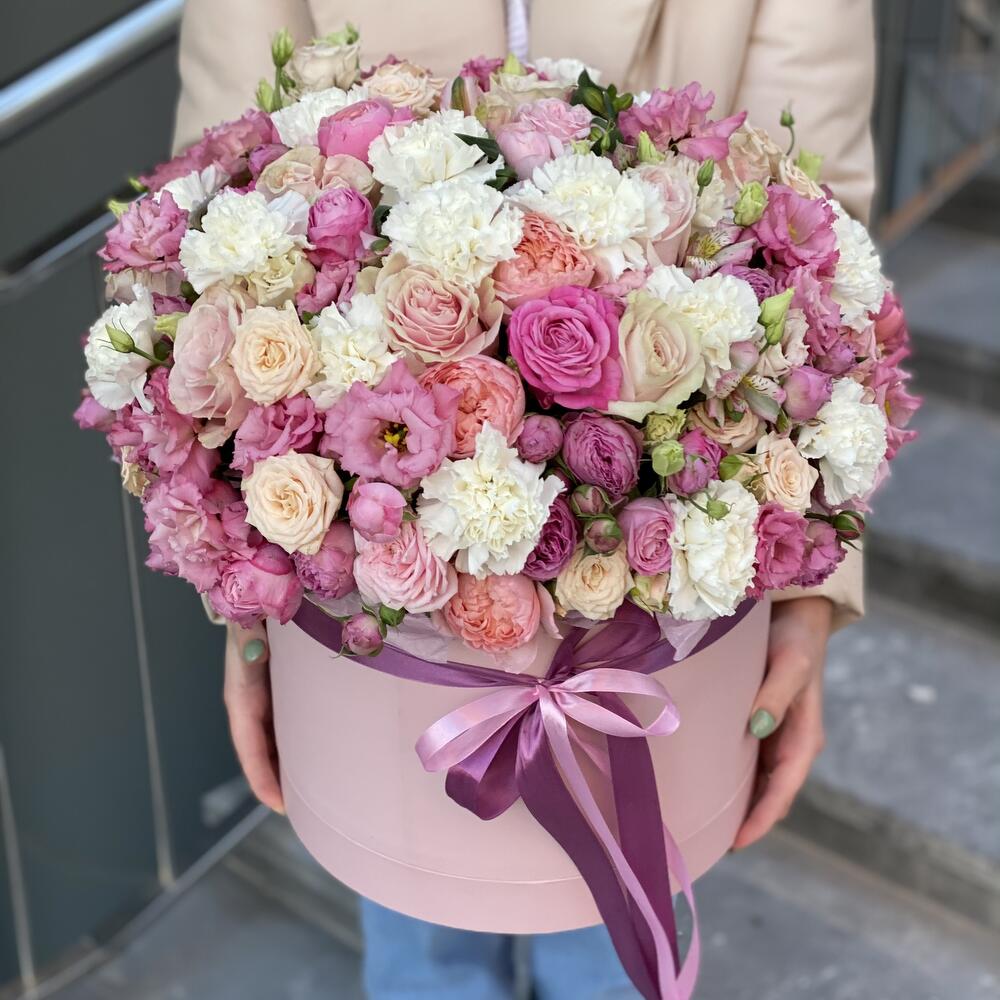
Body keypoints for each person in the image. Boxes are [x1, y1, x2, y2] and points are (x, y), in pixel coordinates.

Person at [179, 1, 875, 995]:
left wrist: (808, 595)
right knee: (418, 908)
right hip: (377, 596)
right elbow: (220, 206)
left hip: (663, 600)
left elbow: (822, 232)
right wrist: (247, 607)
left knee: (614, 910)